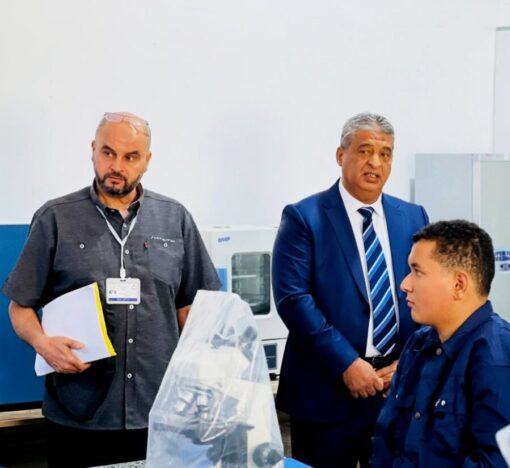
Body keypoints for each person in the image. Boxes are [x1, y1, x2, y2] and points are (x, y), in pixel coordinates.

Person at [3, 112, 221, 467]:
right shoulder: (56, 217)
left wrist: (206, 373)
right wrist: (43, 344)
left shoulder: (175, 218)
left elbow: (191, 308)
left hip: (159, 411)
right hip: (79, 413)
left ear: (147, 161)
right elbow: (20, 306)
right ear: (93, 150)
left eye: (131, 156)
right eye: (108, 152)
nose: (117, 166)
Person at [272, 112, 429, 467]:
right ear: (341, 155)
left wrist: (407, 363)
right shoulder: (304, 217)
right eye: (365, 151)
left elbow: (428, 292)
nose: (375, 162)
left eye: (385, 153)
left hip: (394, 390)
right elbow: (293, 299)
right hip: (326, 392)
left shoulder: (413, 216)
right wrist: (347, 363)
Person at [372, 220, 510, 467]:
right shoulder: (418, 345)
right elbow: (385, 441)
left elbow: (500, 462)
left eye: (418, 272)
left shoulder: (498, 360)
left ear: (459, 285)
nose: (405, 284)